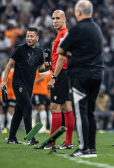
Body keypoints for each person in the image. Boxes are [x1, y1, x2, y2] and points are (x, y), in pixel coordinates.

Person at [57, 0, 104, 157]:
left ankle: (83, 148)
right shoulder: (97, 29)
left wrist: (71, 54)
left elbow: (60, 49)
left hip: (81, 75)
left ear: (78, 12)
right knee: (90, 112)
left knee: (81, 112)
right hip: (97, 75)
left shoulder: (77, 29)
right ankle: (91, 148)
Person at [0, 27, 50, 145]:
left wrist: (47, 67)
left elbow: (40, 69)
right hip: (18, 84)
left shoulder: (39, 51)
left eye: (32, 36)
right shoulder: (20, 49)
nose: (29, 38)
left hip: (29, 86)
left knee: (19, 111)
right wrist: (3, 81)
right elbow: (9, 65)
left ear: (37, 38)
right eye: (27, 36)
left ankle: (12, 137)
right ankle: (31, 137)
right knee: (28, 106)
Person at [43, 10, 75, 150]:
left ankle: (51, 143)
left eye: (58, 18)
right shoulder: (62, 35)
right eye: (53, 18)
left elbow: (62, 58)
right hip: (65, 72)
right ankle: (68, 142)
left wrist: (53, 77)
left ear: (64, 20)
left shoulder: (62, 34)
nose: (55, 21)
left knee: (54, 107)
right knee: (67, 107)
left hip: (61, 74)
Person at [0, 68, 15, 133]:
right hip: (5, 93)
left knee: (11, 110)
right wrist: (2, 95)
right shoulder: (5, 72)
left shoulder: (17, 71)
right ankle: (2, 127)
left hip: (13, 94)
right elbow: (2, 83)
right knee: (2, 108)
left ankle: (9, 127)